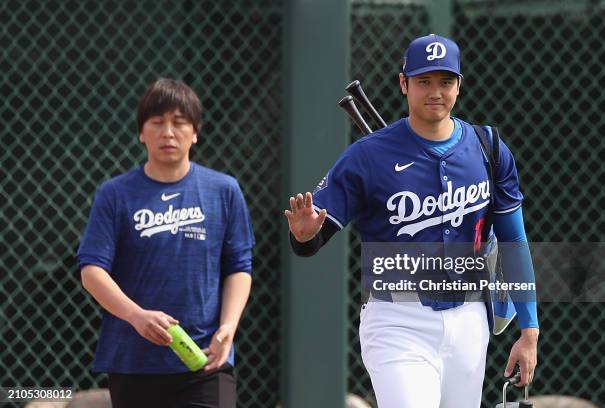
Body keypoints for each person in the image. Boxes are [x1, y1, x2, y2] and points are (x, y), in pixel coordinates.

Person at [284, 34, 539, 408]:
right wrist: (305, 235)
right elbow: (313, 237)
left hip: (469, 318)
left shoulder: (489, 148)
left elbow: (514, 241)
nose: (435, 92)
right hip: (397, 320)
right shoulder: (367, 155)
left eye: (445, 81)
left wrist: (529, 330)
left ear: (459, 85)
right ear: (403, 83)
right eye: (423, 81)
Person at [77, 78, 255, 408]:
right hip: (133, 363)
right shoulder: (115, 195)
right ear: (142, 133)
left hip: (207, 361)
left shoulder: (224, 191)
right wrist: (136, 316)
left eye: (179, 122)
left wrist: (228, 327)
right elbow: (92, 271)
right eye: (157, 123)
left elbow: (239, 268)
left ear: (196, 132)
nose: (168, 132)